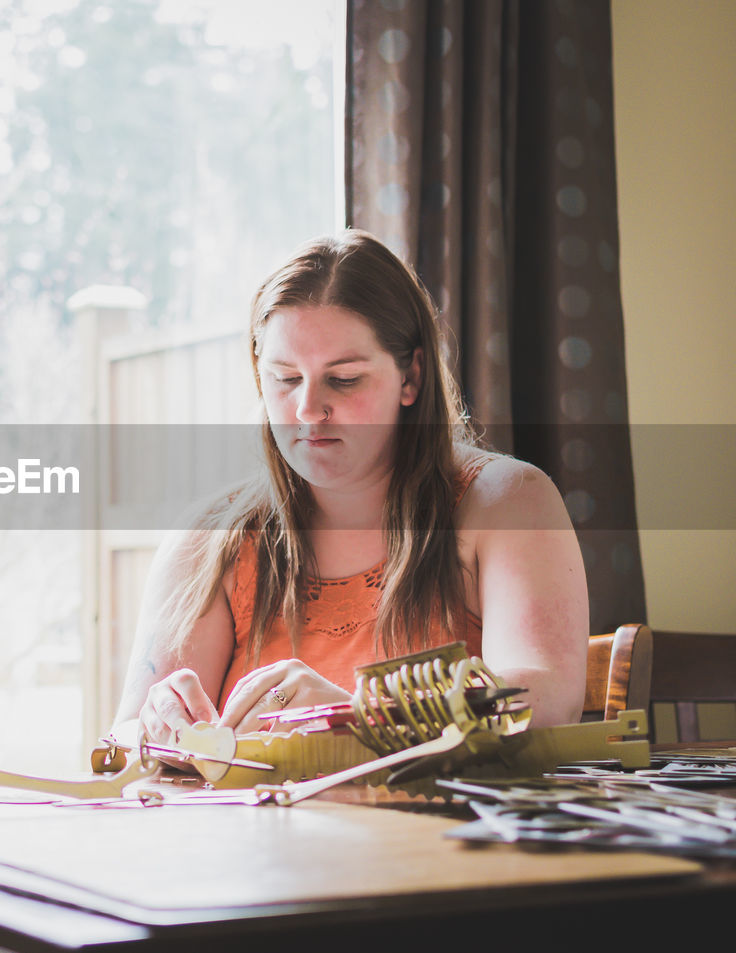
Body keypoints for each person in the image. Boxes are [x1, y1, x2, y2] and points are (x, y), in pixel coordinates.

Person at [112, 229, 588, 747]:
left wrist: (355, 717)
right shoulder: (210, 540)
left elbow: (544, 702)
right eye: (285, 379)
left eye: (343, 379)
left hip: (438, 829)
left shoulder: (507, 501)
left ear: (411, 378)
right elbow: (121, 739)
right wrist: (154, 731)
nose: (308, 410)